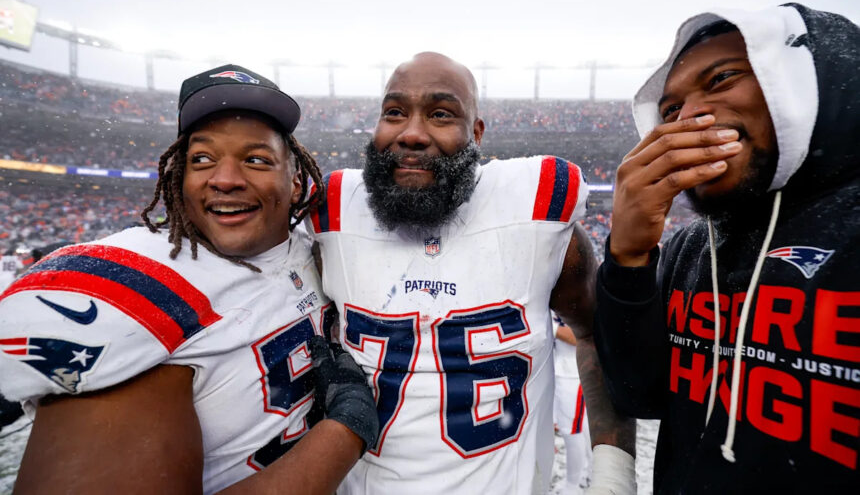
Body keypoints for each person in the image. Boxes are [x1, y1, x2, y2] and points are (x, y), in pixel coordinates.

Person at [0, 64, 378, 494]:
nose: (225, 179)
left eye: (256, 159)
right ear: (179, 177)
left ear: (296, 183)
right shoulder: (140, 278)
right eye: (202, 159)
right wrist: (343, 431)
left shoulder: (316, 250)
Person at [308, 52, 635, 494]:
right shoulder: (334, 214)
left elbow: (597, 335)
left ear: (476, 133)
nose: (411, 133)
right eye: (394, 112)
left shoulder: (536, 210)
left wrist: (614, 476)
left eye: (441, 114)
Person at [594, 4, 860, 492]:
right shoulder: (690, 248)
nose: (689, 118)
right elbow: (640, 394)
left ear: (807, 78)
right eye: (669, 111)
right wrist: (627, 259)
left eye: (721, 79)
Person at [553, 313, 593, 494]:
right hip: (560, 367)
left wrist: (549, 327)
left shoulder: (585, 295)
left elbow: (580, 336)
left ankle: (572, 486)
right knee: (582, 427)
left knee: (571, 431)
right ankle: (591, 472)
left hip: (572, 372)